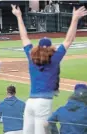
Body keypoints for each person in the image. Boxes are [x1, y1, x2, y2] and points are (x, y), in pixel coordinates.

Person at [11, 4, 87, 134]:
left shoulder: (31, 56)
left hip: (30, 103)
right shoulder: (55, 58)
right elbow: (69, 40)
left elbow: (24, 37)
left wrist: (18, 16)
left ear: (38, 47)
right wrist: (75, 19)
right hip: (43, 103)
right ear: (50, 47)